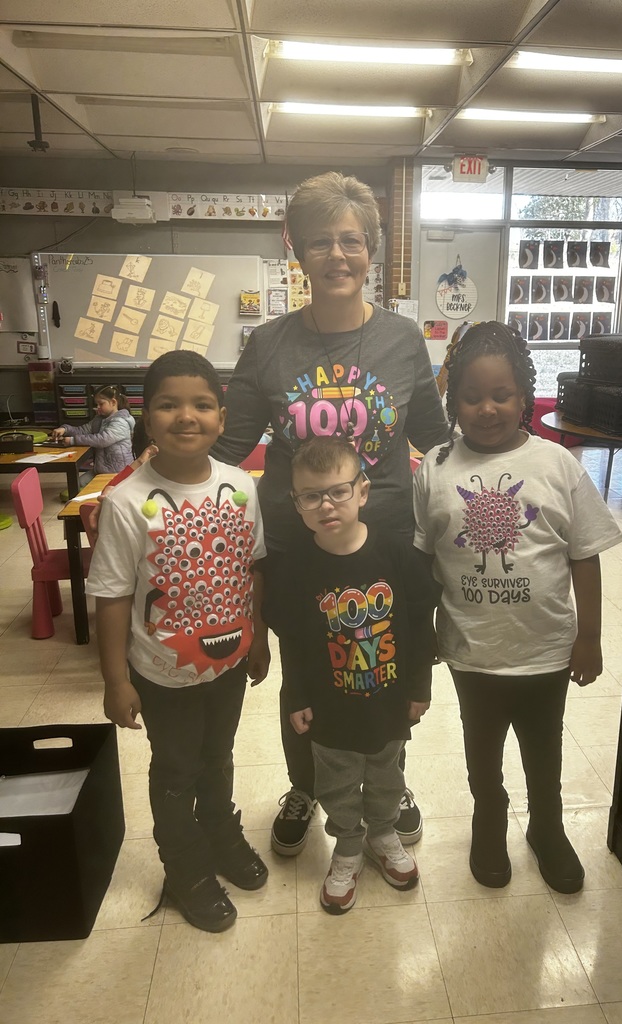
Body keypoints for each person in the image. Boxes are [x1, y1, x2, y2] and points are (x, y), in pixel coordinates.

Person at [212, 171, 449, 857]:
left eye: (351, 241)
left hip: (388, 545)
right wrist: (152, 480)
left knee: (383, 662)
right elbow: (230, 449)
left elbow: (436, 444)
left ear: (371, 250)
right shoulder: (269, 344)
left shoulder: (404, 341)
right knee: (311, 669)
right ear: (298, 252)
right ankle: (306, 782)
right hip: (298, 546)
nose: (337, 256)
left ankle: (386, 781)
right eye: (321, 243)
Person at [413, 321, 622, 894]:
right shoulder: (434, 468)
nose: (486, 408)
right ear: (452, 400)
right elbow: (423, 559)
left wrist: (589, 637)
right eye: (471, 396)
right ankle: (489, 821)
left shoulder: (558, 466)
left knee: (543, 748)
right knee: (481, 751)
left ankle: (547, 827)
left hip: (546, 650)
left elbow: (585, 555)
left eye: (501, 394)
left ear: (526, 396)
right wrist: (425, 629)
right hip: (471, 651)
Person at [86, 351, 271, 933]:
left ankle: (219, 832)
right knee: (174, 771)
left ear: (222, 416)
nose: (185, 416)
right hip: (161, 675)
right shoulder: (125, 502)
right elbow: (111, 596)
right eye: (168, 404)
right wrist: (116, 680)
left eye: (201, 404)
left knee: (218, 758)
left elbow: (254, 567)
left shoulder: (241, 485)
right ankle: (186, 867)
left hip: (230, 663)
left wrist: (258, 635)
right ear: (146, 415)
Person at [263, 438, 439, 914]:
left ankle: (383, 834)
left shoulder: (397, 555)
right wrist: (297, 695)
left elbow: (422, 624)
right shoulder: (296, 567)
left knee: (386, 774)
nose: (326, 505)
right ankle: (347, 845)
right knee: (337, 783)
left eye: (338, 491)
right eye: (311, 496)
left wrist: (420, 687)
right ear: (296, 503)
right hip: (330, 705)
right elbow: (294, 641)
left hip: (388, 699)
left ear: (363, 491)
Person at [51, 384, 135, 480]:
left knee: (82, 488)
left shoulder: (121, 421)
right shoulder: (99, 420)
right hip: (101, 469)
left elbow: (102, 440)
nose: (97, 407)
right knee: (77, 485)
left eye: (101, 404)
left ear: (113, 402)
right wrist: (65, 429)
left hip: (118, 472)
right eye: (96, 404)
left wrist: (73, 441)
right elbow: (82, 430)